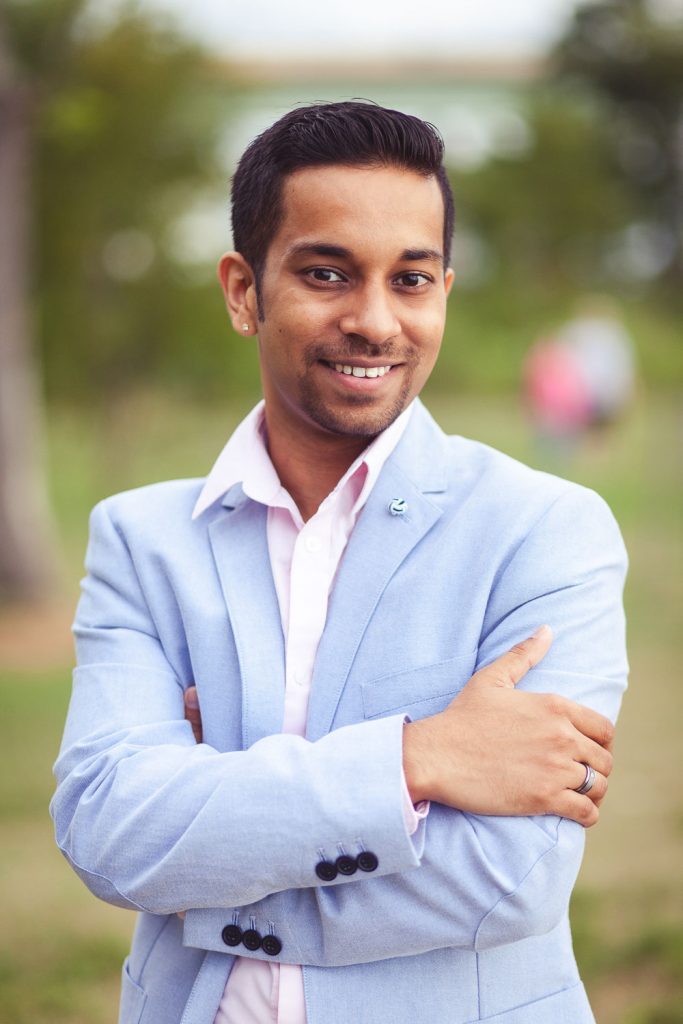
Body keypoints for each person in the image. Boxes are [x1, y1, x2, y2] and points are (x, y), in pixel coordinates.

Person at [51, 102, 628, 1024]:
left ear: (444, 288)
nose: (373, 320)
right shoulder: (141, 540)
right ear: (244, 290)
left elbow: (505, 879)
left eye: (410, 279)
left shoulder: (545, 530)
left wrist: (210, 832)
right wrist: (416, 760)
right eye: (327, 273)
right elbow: (110, 833)